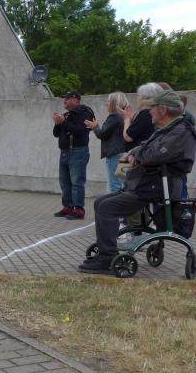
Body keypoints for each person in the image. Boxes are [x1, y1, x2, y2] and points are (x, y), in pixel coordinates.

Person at [79, 89, 196, 274]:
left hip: (157, 187)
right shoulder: (169, 129)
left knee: (107, 207)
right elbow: (146, 146)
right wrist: (135, 152)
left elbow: (154, 154)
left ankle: (107, 259)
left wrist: (138, 154)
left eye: (152, 108)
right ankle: (106, 250)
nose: (149, 112)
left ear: (163, 110)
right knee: (101, 202)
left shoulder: (181, 131)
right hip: (148, 184)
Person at [52, 89, 95, 220]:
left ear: (75, 99)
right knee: (64, 181)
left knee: (77, 182)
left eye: (67, 98)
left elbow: (80, 131)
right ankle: (68, 207)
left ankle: (79, 209)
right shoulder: (66, 115)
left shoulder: (85, 112)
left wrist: (64, 122)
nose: (64, 101)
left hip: (78, 151)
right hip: (64, 152)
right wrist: (58, 123)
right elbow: (56, 134)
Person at [85, 92, 129, 193]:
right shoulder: (123, 117)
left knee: (114, 186)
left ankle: (113, 203)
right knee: (121, 184)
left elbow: (102, 134)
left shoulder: (114, 117)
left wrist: (95, 127)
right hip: (122, 153)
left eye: (108, 101)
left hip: (114, 155)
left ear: (114, 103)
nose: (106, 104)